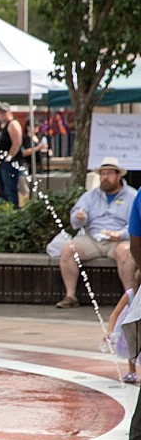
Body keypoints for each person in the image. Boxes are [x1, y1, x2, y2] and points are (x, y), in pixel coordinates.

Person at [57, 159, 135, 308]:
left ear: (119, 176)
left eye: (109, 174)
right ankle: (70, 296)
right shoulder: (90, 196)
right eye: (102, 174)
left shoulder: (132, 196)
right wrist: (79, 218)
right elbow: (75, 221)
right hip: (94, 238)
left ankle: (130, 298)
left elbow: (136, 224)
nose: (105, 177)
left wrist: (121, 234)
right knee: (68, 249)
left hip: (119, 239)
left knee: (125, 252)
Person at [0, 102, 25, 206]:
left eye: (4, 112)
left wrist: (9, 158)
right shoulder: (0, 125)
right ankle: (6, 210)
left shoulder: (12, 124)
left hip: (9, 163)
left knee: (10, 190)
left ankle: (13, 210)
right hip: (0, 162)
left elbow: (17, 143)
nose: (1, 115)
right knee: (4, 190)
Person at [103, 283, 140, 386]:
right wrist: (110, 330)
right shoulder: (130, 294)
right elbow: (116, 312)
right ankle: (132, 371)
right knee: (131, 347)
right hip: (131, 325)